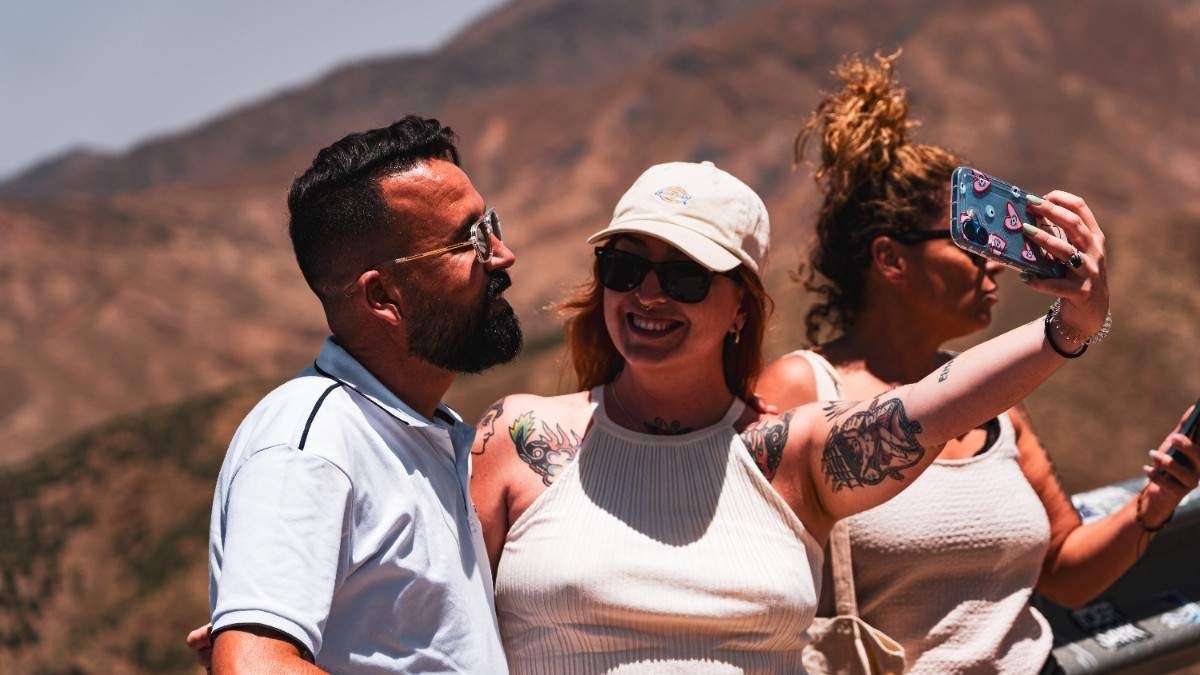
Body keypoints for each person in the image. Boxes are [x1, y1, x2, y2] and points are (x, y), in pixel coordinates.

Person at [469, 156, 1113, 673]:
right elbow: (444, 634)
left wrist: (1071, 325)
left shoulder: (790, 453)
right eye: (625, 265)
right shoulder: (517, 436)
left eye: (686, 276)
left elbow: (934, 405)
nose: (648, 293)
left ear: (740, 309)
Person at [754, 53, 1199, 674]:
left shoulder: (996, 401)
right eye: (971, 240)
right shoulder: (802, 387)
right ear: (891, 261)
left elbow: (1065, 570)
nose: (995, 262)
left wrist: (1158, 498)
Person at [196, 116, 521, 673]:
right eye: (469, 238)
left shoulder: (417, 430)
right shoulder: (313, 444)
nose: (502, 253)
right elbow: (253, 666)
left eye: (489, 224)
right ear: (383, 297)